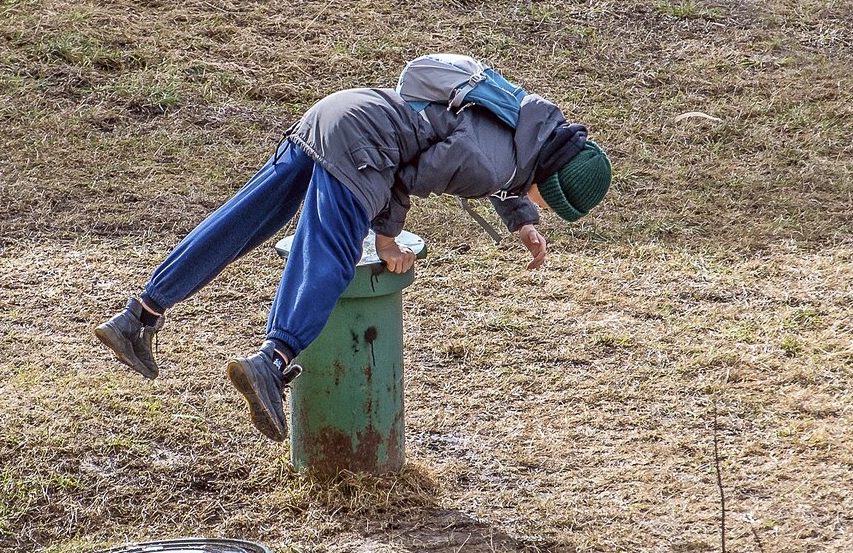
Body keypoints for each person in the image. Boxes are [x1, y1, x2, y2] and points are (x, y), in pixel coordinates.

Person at [95, 84, 611, 442]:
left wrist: (520, 218)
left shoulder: (528, 123)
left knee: (245, 220)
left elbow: (488, 159)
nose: (544, 208)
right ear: (553, 175)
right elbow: (407, 176)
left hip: (337, 111)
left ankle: (139, 314)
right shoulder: (494, 162)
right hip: (363, 145)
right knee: (331, 254)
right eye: (548, 202)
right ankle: (272, 363)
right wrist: (386, 243)